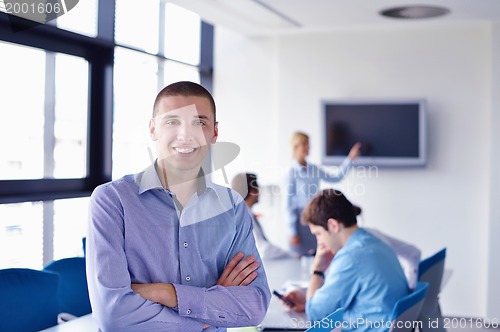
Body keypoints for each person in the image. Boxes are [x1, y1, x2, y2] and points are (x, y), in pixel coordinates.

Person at [86, 81, 271, 331]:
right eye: (172, 122)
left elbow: (255, 306)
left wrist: (166, 293)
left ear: (214, 133)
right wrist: (211, 309)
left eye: (199, 122)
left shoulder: (232, 206)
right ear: (153, 129)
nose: (185, 135)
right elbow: (113, 315)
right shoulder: (112, 200)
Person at [282, 189, 409, 331]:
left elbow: (316, 314)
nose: (320, 242)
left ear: (333, 226)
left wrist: (318, 269)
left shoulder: (351, 257)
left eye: (318, 234)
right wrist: (308, 302)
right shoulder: (376, 243)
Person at [285, 131, 361, 256]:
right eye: (304, 144)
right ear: (296, 147)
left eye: (308, 144)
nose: (308, 147)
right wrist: (292, 232)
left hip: (315, 219)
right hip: (300, 222)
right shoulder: (291, 172)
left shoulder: (314, 169)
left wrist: (349, 159)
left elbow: (336, 177)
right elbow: (288, 205)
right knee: (301, 259)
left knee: (319, 254)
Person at [231, 173, 295, 260]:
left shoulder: (242, 213)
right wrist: (291, 255)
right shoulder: (244, 216)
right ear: (253, 191)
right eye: (258, 189)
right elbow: (262, 249)